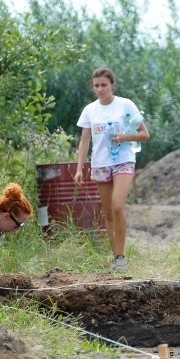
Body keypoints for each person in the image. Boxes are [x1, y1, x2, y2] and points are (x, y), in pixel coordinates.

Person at [74, 66, 150, 271]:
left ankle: (121, 256)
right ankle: (116, 256)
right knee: (107, 213)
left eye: (104, 85)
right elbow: (84, 142)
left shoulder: (125, 105)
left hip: (124, 160)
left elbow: (145, 134)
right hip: (100, 163)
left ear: (112, 86)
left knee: (117, 206)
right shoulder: (90, 110)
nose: (100, 89)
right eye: (96, 86)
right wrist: (79, 169)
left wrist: (125, 137)